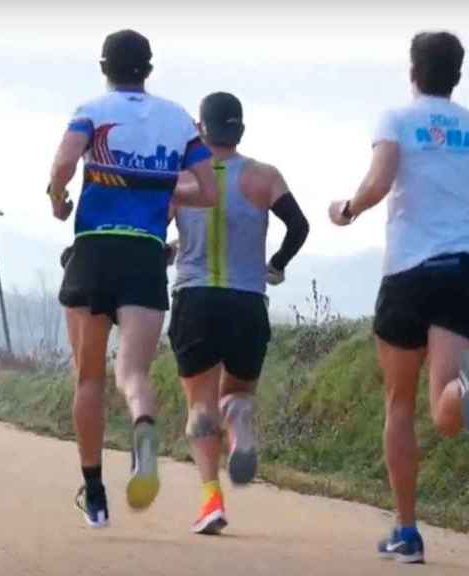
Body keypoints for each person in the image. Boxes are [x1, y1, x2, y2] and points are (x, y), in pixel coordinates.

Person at [328, 31, 469, 563]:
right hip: (463, 269)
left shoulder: (397, 119)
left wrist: (347, 208)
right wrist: (468, 214)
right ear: (456, 75)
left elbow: (378, 181)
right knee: (444, 409)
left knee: (399, 404)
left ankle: (407, 532)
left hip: (410, 272)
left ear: (413, 71)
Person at [46, 29, 218, 528]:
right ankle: (142, 424)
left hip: (95, 247)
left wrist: (59, 200)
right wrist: (161, 184)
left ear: (105, 67)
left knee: (89, 376)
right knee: (134, 373)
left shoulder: (92, 109)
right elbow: (206, 190)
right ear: (148, 68)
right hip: (144, 252)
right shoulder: (178, 118)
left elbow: (62, 164)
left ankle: (95, 493)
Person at [170, 92, 310, 534]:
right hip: (248, 300)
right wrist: (277, 266)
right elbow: (300, 226)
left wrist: (171, 252)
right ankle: (241, 422)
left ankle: (212, 500)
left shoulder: (181, 180)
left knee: (199, 407)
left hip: (195, 298)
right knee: (237, 393)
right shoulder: (265, 176)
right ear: (241, 130)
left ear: (201, 130)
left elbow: (156, 237)